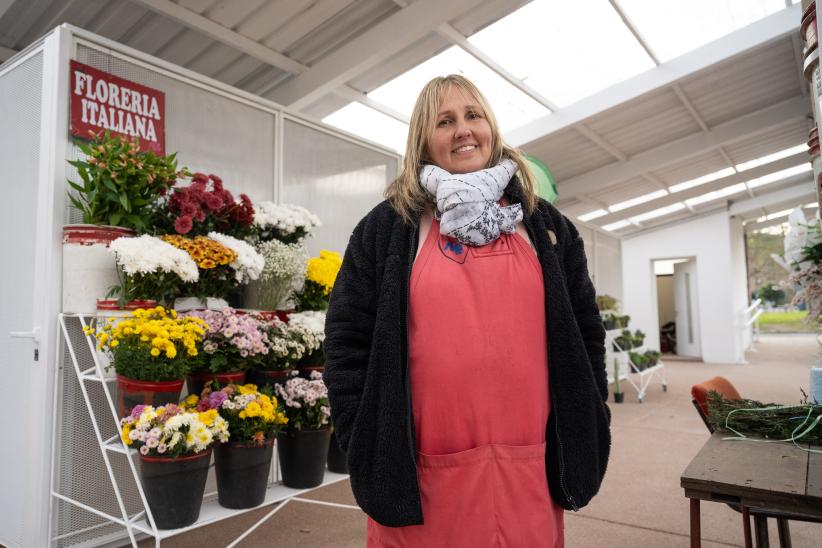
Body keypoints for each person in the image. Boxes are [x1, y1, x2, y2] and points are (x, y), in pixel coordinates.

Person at [323, 74, 610, 547]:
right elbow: (346, 342)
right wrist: (362, 436)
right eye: (445, 121)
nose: (463, 130)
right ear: (423, 140)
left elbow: (585, 331)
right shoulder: (388, 230)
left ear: (491, 129)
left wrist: (591, 412)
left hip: (529, 471)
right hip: (420, 477)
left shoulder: (546, 227)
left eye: (473, 116)